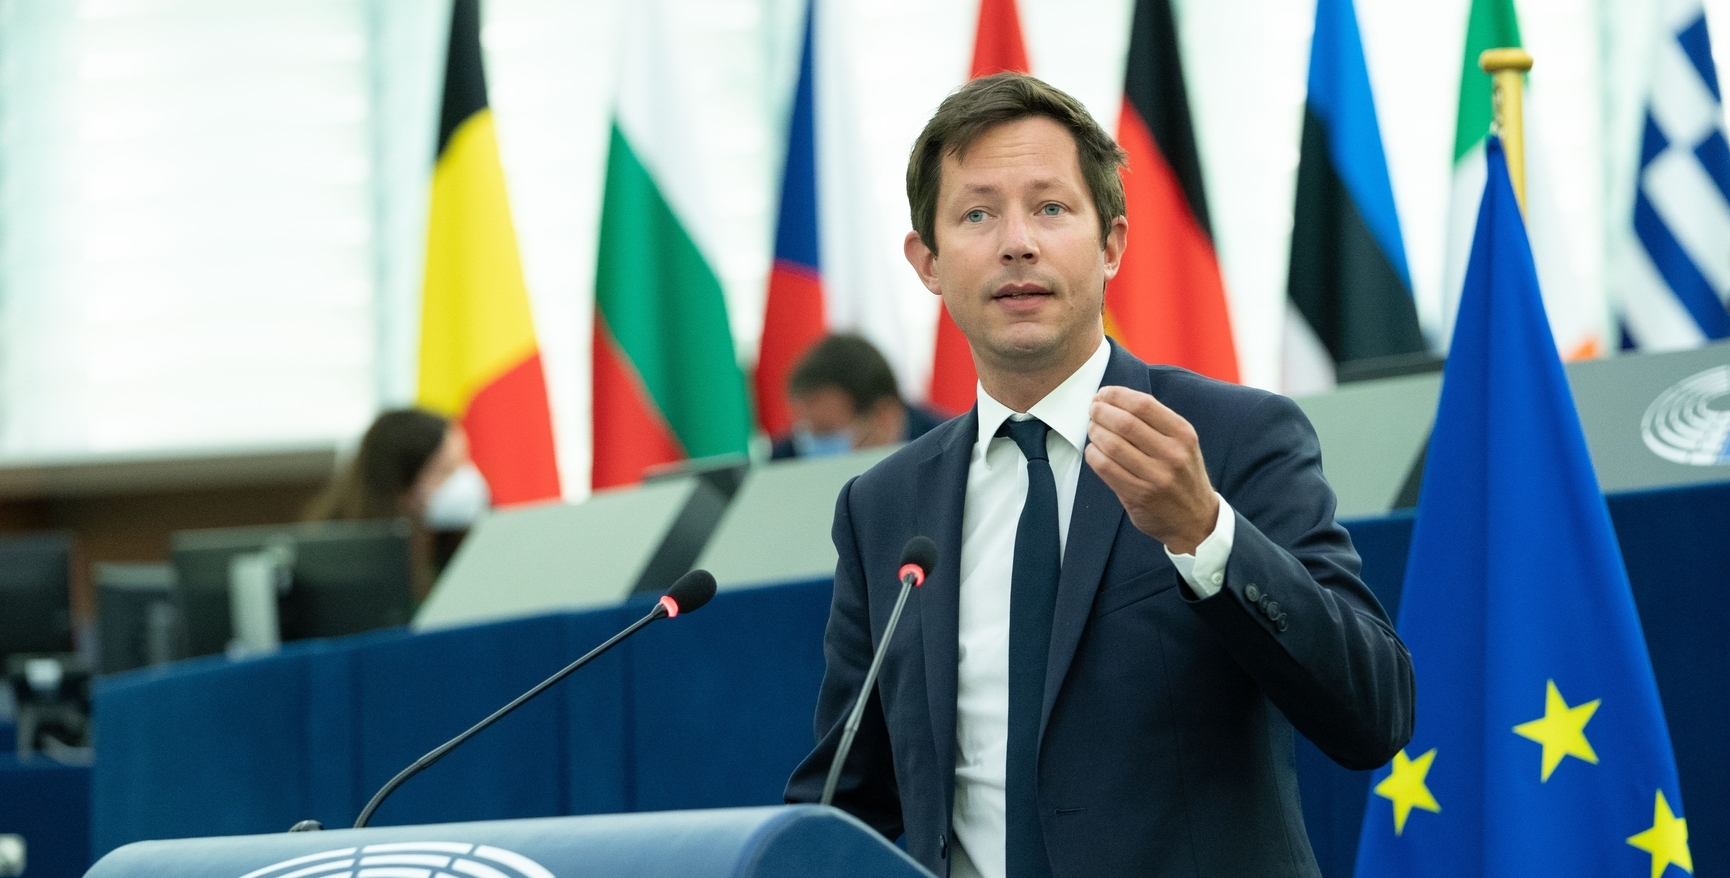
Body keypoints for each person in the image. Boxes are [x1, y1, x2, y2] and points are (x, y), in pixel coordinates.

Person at [784, 73, 1413, 878]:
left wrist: (1205, 534)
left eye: (1050, 208)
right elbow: (846, 799)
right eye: (977, 214)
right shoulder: (884, 508)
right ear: (928, 262)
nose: (1017, 242)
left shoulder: (1232, 437)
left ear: (1111, 243)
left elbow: (1373, 713)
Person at [306, 408, 491, 597]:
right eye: (446, 470)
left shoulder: (457, 552)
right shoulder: (340, 571)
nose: (465, 479)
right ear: (402, 487)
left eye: (464, 462)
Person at [771, 334, 946, 460]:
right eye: (805, 429)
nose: (813, 444)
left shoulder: (949, 451)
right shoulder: (784, 460)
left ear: (883, 416)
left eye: (827, 431)